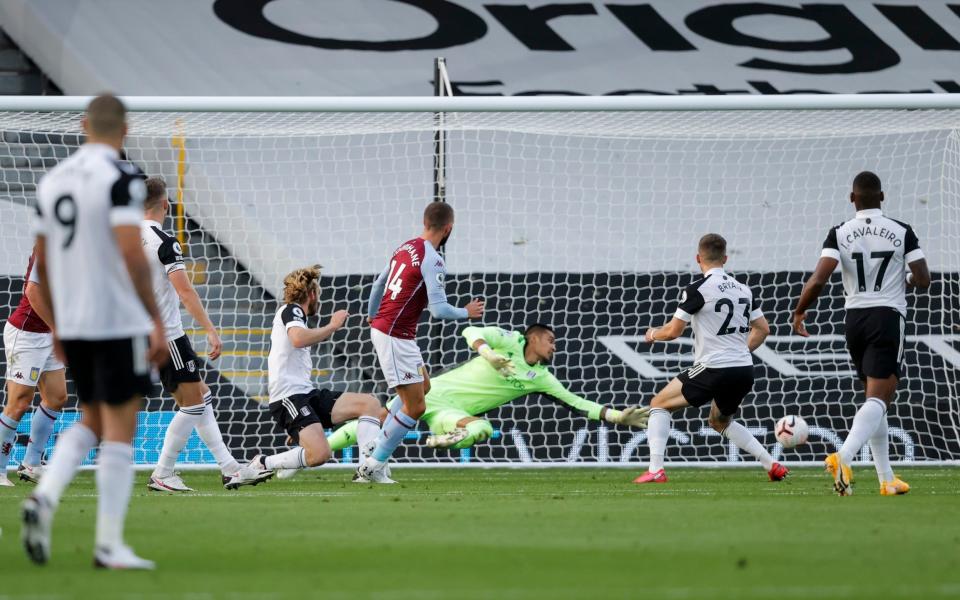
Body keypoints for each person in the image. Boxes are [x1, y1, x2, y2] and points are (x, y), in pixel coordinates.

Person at [22, 94, 169, 569]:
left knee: (91, 421)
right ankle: (109, 544)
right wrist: (153, 318)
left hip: (76, 320)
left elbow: (43, 261)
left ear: (84, 125)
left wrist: (59, 323)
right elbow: (130, 251)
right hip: (116, 317)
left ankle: (44, 496)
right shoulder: (122, 177)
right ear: (125, 131)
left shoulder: (53, 181)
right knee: (120, 427)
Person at [793, 171, 929, 496]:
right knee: (880, 399)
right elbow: (922, 277)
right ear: (881, 197)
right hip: (886, 317)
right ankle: (844, 456)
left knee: (873, 399)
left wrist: (800, 310)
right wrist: (906, 281)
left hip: (853, 320)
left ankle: (887, 479)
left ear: (852, 198)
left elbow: (817, 280)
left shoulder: (839, 232)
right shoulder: (901, 230)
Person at [326, 324, 649, 456]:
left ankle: (448, 437)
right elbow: (471, 329)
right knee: (379, 421)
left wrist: (619, 417)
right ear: (534, 338)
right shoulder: (510, 342)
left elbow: (578, 404)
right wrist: (487, 353)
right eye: (550, 340)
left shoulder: (541, 378)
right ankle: (318, 449)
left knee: (482, 428)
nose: (553, 347)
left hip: (450, 413)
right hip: (429, 392)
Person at [140, 177, 271, 492]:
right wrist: (211, 330)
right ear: (166, 204)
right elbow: (185, 291)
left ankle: (229, 468)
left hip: (139, 331)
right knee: (193, 405)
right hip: (167, 335)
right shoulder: (164, 241)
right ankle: (163, 472)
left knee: (201, 396)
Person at [634, 233, 787, 484]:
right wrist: (739, 353)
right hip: (743, 369)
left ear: (697, 258)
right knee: (720, 421)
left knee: (659, 403)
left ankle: (655, 470)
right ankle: (771, 465)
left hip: (714, 367)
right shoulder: (744, 290)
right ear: (726, 258)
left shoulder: (697, 290)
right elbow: (763, 329)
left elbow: (673, 331)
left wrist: (652, 333)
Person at [356, 202, 483, 483]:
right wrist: (467, 312)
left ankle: (374, 449)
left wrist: (371, 313)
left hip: (393, 331)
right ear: (449, 228)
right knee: (416, 407)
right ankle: (373, 465)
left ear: (424, 222)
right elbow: (438, 310)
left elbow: (378, 284)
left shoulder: (405, 247)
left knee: (423, 387)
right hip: (394, 335)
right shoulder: (433, 259)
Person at [247, 265, 382, 479]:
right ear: (311, 294)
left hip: (305, 395)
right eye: (317, 294)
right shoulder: (292, 310)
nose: (318, 299)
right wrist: (332, 326)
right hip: (288, 398)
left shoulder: (295, 315)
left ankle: (368, 472)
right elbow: (298, 339)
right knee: (320, 454)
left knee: (370, 404)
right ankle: (264, 463)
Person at [0, 247, 68, 486]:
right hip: (27, 333)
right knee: (19, 401)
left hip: (48, 332)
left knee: (57, 396)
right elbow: (33, 291)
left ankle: (32, 463)